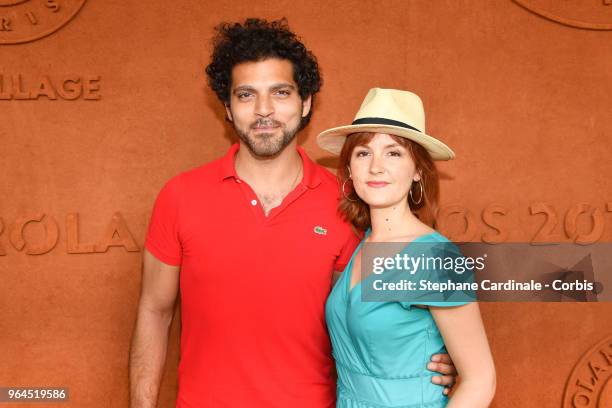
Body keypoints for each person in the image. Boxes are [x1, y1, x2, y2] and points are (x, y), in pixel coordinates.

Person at [129, 19, 459, 408]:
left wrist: (437, 354)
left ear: (305, 104)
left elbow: (376, 314)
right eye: (247, 95)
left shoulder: (350, 201)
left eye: (280, 93)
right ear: (228, 109)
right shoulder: (180, 196)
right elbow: (154, 310)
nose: (264, 110)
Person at [318, 88, 496, 407]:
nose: (376, 167)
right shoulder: (362, 244)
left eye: (394, 153)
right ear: (349, 170)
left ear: (417, 171)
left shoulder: (435, 258)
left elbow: (481, 380)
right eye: (363, 153)